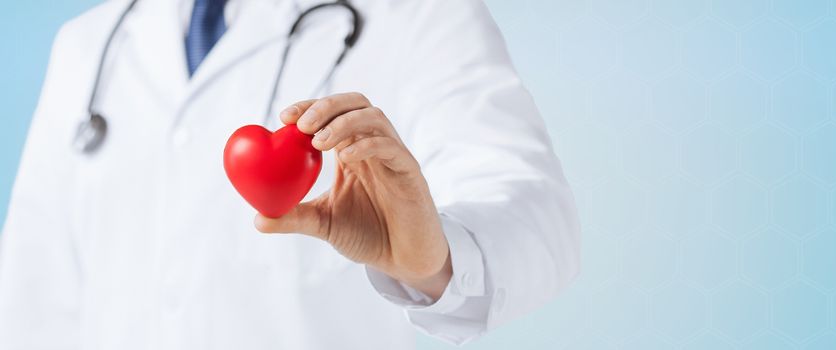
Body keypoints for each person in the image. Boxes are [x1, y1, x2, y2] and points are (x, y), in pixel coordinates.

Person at [0, 0, 580, 348]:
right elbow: (31, 290)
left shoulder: (415, 13)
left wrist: (436, 257)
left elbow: (534, 209)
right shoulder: (91, 44)